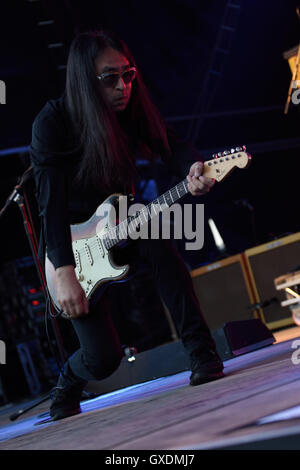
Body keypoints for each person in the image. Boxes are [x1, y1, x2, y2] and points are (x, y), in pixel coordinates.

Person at [30, 30, 224, 421]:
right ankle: (69, 380)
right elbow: (50, 208)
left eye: (129, 74)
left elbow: (172, 145)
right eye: (110, 78)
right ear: (85, 80)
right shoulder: (52, 122)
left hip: (122, 225)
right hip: (71, 248)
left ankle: (202, 353)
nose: (123, 86)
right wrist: (63, 269)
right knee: (103, 360)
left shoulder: (130, 109)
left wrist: (195, 169)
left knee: (158, 241)